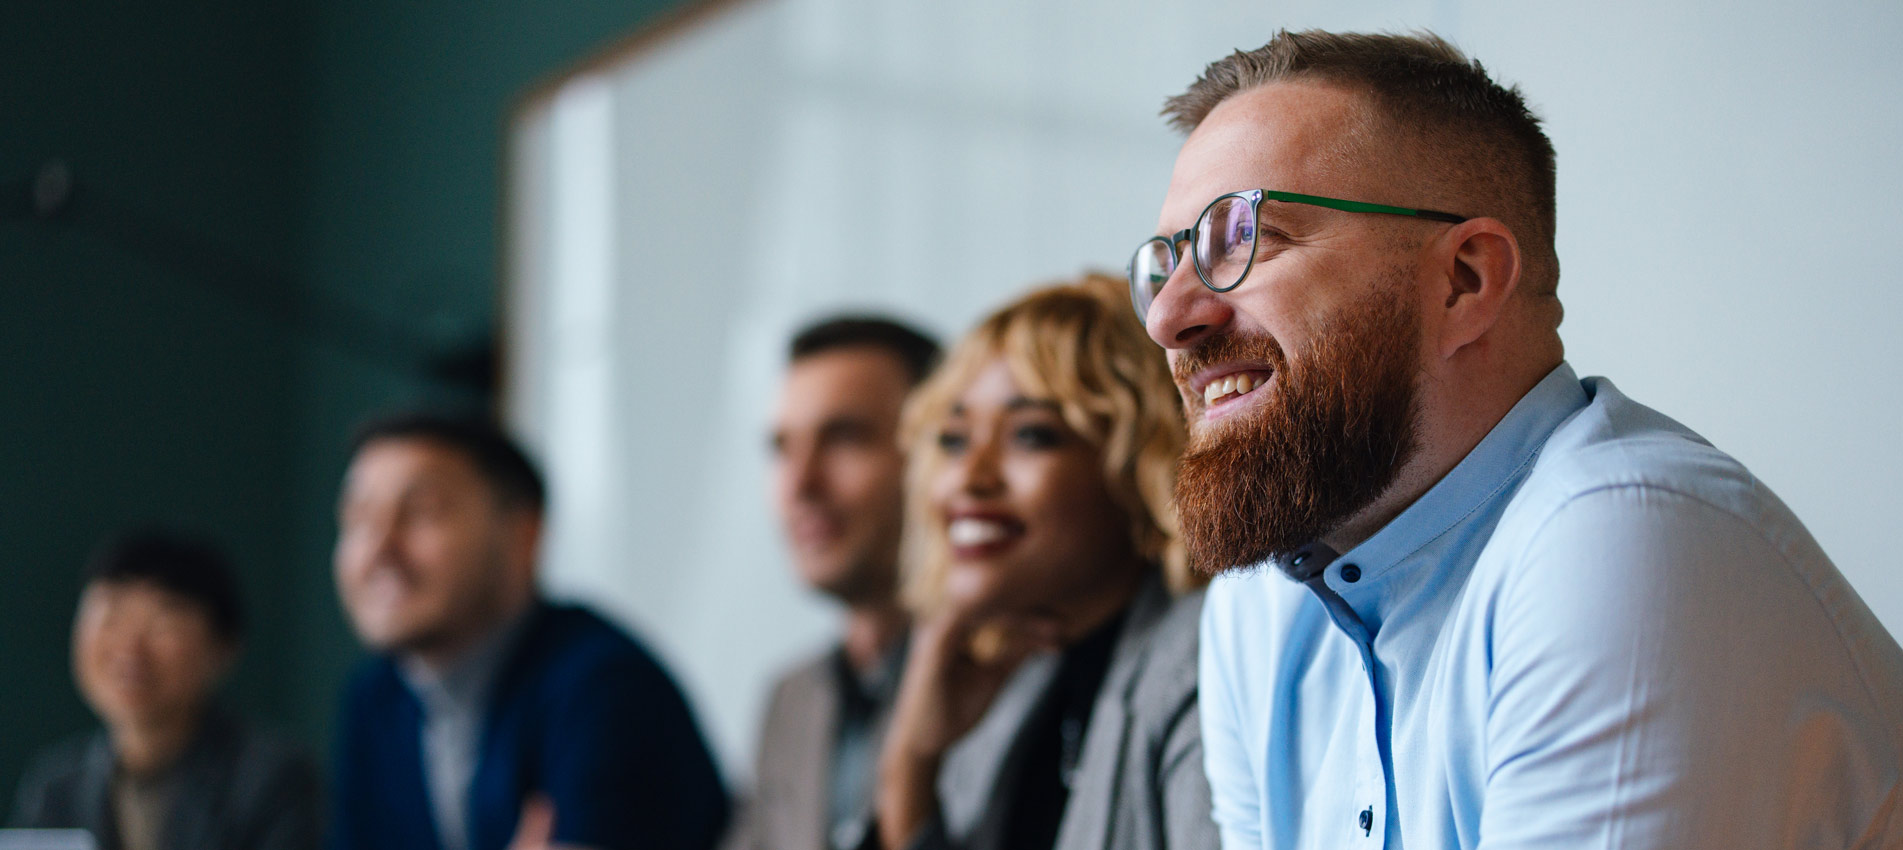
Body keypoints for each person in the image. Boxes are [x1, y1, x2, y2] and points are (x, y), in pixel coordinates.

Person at [1129, 30, 1903, 849]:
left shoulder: (1621, 533)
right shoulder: (1258, 612)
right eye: (1166, 263)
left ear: (1463, 281)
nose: (1168, 319)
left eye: (1244, 239)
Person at [874, 274, 1217, 850]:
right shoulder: (1008, 677)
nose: (970, 477)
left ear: (1137, 465)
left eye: (1029, 435)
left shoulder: (1203, 664)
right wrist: (911, 761)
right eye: (954, 440)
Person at [328, 412, 729, 850]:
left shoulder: (603, 687)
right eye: (359, 518)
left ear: (524, 533)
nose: (380, 548)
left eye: (422, 512)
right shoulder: (376, 699)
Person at [724, 318, 940, 850]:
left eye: (843, 437)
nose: (800, 484)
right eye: (781, 448)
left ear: (939, 452)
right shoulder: (790, 701)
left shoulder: (1004, 675)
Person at [8, 530, 320, 850]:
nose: (130, 647)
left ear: (223, 648)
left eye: (161, 623)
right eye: (110, 617)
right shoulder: (55, 786)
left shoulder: (271, 780)